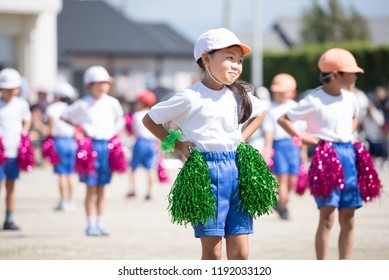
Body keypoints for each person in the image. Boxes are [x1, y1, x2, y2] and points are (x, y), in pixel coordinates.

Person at [142, 28, 268, 260]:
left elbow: (260, 112)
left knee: (241, 252)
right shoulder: (190, 96)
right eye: (229, 58)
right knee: (213, 251)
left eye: (239, 60)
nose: (235, 65)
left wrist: (242, 137)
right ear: (206, 58)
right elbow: (150, 120)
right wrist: (177, 145)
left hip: (237, 169)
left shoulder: (239, 94)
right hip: (205, 173)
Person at [278, 48, 369, 259]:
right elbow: (284, 119)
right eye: (351, 72)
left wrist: (348, 132)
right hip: (326, 157)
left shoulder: (350, 98)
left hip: (349, 155)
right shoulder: (314, 100)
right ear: (336, 75)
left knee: (349, 217)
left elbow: (354, 117)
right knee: (326, 216)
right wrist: (305, 137)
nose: (356, 76)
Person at [61, 66, 124, 236]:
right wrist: (80, 129)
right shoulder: (83, 103)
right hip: (90, 147)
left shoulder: (112, 102)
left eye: (106, 83)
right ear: (90, 85)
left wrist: (114, 132)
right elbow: (64, 116)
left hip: (108, 146)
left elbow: (120, 120)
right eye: (98, 83)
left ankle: (100, 222)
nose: (103, 86)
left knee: (102, 187)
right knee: (90, 187)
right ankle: (90, 224)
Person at [262, 73, 305, 220]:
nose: (279, 94)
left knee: (293, 178)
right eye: (277, 92)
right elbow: (268, 132)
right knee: (282, 177)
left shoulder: (295, 107)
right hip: (279, 145)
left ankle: (281, 202)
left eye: (283, 91)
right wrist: (267, 149)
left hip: (294, 145)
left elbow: (301, 131)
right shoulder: (270, 109)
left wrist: (303, 150)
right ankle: (284, 208)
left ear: (291, 92)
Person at [0, 68, 32, 230]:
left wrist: (24, 133)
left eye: (14, 88)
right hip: (0, 152)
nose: (11, 91)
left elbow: (27, 119)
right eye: (7, 88)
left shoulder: (21, 105)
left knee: (11, 186)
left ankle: (9, 218)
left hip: (14, 152)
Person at [45, 82, 78, 211]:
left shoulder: (52, 108)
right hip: (72, 141)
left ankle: (63, 201)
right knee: (71, 173)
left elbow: (51, 129)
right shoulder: (71, 107)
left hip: (59, 141)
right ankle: (71, 201)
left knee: (62, 174)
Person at [126, 90, 158, 200]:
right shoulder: (155, 114)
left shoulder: (136, 115)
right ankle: (150, 192)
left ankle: (133, 190)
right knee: (150, 168)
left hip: (140, 142)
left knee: (133, 168)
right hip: (152, 143)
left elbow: (134, 129)